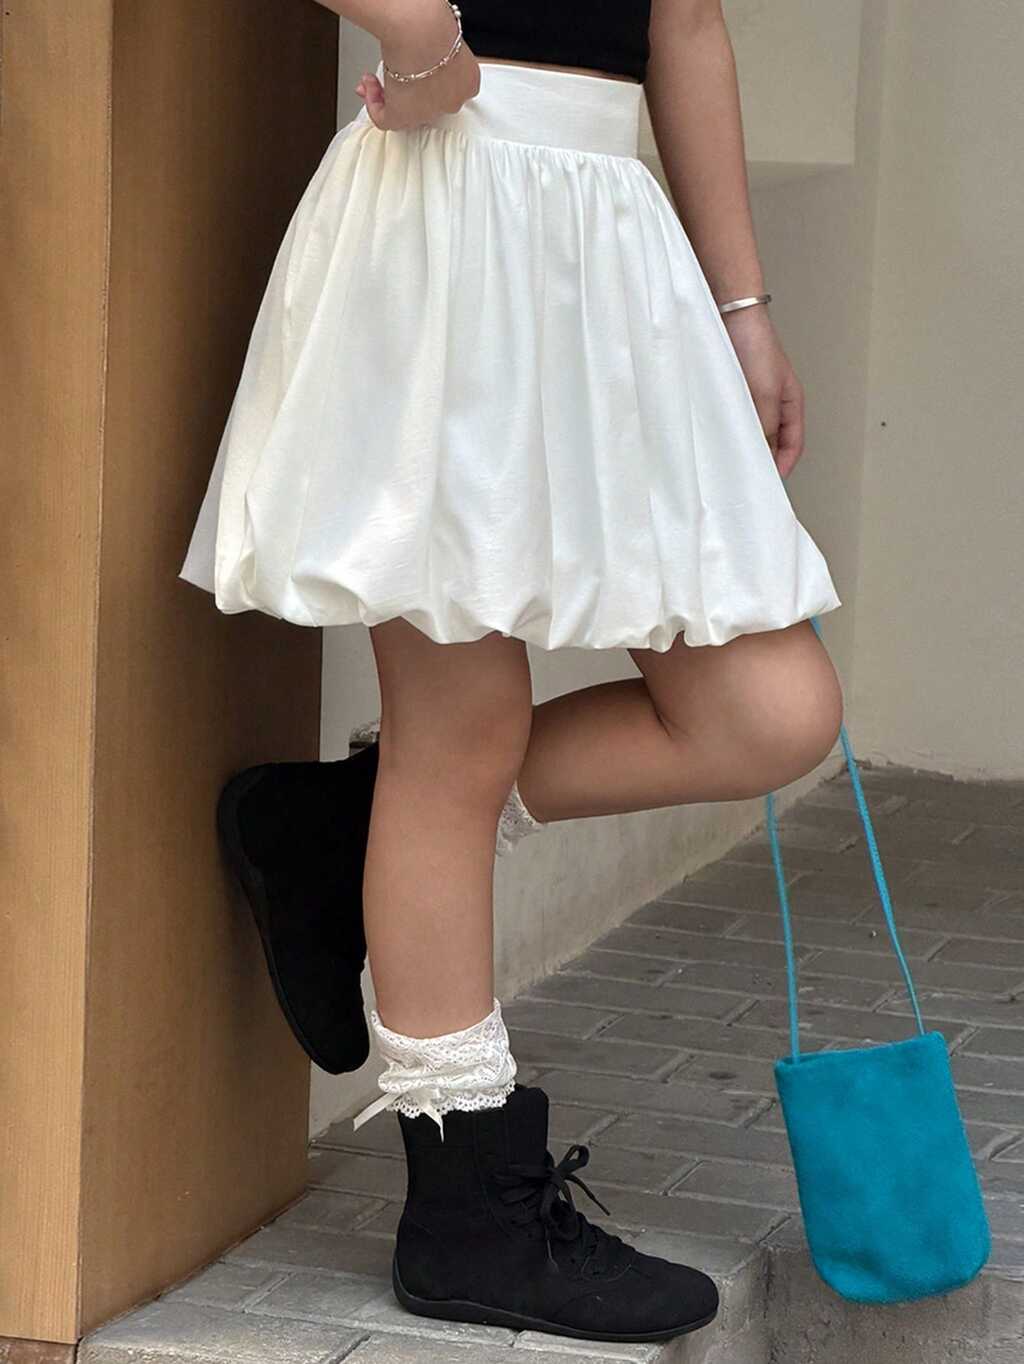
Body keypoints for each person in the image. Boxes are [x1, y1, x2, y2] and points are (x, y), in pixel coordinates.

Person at [181, 0, 844, 1345]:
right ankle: (468, 1212)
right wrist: (416, 33)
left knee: (768, 711)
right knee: (461, 733)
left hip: (613, 241)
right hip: (449, 207)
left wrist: (743, 310)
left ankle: (337, 829)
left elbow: (688, 24)